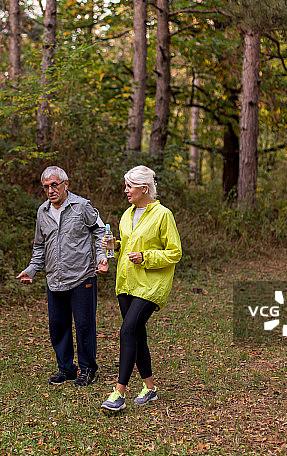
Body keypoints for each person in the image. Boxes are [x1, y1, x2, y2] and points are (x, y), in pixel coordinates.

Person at [17, 166, 109, 386]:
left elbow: (100, 231)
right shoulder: (43, 212)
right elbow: (40, 246)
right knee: (58, 326)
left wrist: (102, 258)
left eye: (54, 185)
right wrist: (31, 269)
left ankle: (87, 370)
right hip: (55, 279)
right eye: (46, 187)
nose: (50, 190)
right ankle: (66, 369)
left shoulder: (82, 206)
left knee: (84, 325)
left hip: (81, 277)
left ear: (66, 184)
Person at [100, 165, 182, 411]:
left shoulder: (162, 215)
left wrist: (146, 257)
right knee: (137, 334)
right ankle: (150, 388)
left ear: (144, 188)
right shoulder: (127, 215)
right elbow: (125, 246)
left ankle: (119, 393)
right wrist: (112, 248)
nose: (126, 191)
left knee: (126, 331)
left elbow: (174, 252)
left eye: (129, 186)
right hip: (126, 284)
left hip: (150, 285)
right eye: (126, 186)